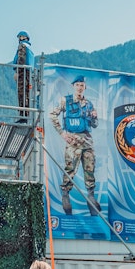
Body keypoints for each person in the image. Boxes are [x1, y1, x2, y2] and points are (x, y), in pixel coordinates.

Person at [49, 75, 99, 216]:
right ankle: (65, 196)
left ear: (85, 87)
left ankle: (91, 197)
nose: (79, 87)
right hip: (73, 141)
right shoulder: (66, 100)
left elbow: (95, 125)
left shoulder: (89, 104)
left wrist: (94, 117)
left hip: (87, 140)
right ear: (73, 86)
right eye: (77, 85)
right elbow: (52, 115)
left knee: (90, 169)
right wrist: (62, 133)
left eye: (82, 85)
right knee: (70, 169)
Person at [12, 31, 33, 122]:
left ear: (24, 37)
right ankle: (25, 115)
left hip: (22, 72)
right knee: (26, 94)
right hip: (28, 73)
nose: (19, 39)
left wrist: (17, 71)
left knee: (21, 94)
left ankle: (22, 116)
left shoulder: (22, 46)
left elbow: (21, 59)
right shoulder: (29, 47)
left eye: (20, 37)